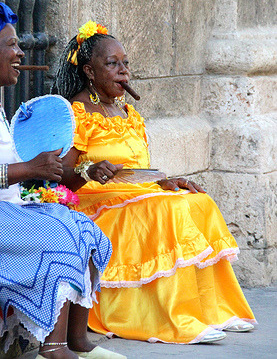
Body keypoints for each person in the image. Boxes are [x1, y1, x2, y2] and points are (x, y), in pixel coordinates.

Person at [52, 20, 257, 345]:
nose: (123, 72)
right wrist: (89, 170)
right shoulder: (76, 112)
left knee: (198, 202)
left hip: (138, 196)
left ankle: (213, 311)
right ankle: (176, 317)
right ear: (90, 71)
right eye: (112, 64)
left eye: (126, 63)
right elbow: (59, 174)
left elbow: (137, 171)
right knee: (168, 212)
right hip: (96, 205)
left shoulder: (127, 113)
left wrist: (166, 181)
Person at [0, 6, 126, 359]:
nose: (20, 53)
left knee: (80, 225)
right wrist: (28, 169)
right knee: (59, 236)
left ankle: (77, 341)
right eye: (11, 45)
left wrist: (41, 168)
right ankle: (54, 348)